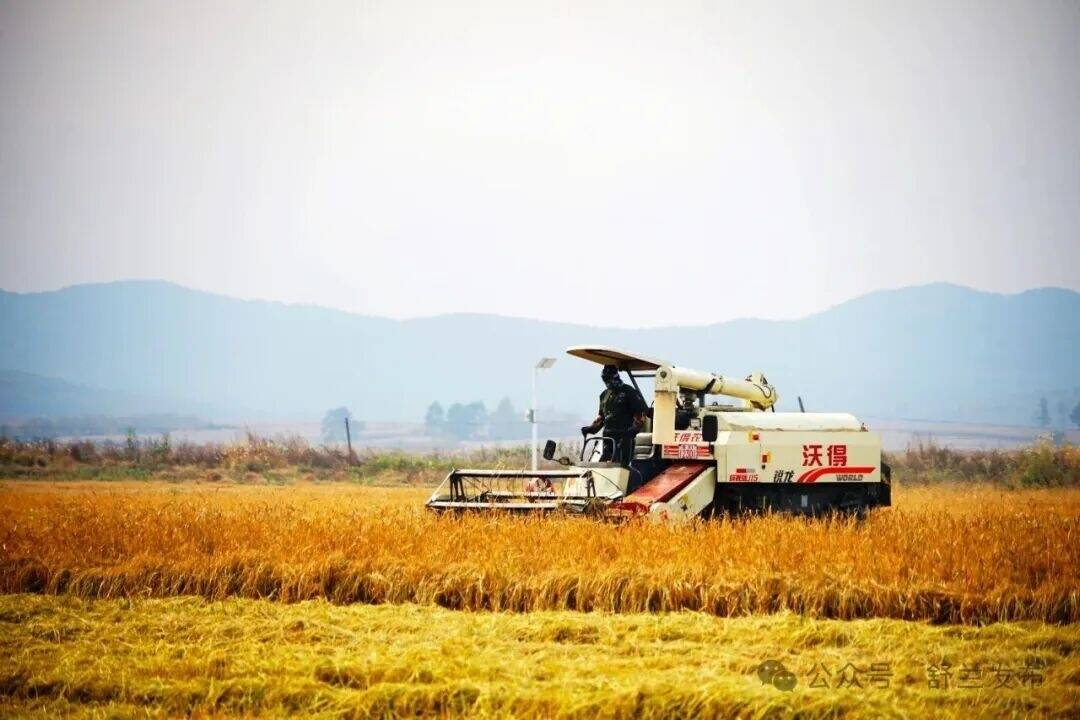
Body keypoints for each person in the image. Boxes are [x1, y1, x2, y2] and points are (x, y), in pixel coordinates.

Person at [581, 364, 648, 466]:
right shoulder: (604, 395)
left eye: (609, 378)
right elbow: (601, 418)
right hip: (608, 438)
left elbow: (641, 414)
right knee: (606, 466)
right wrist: (590, 429)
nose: (607, 382)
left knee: (622, 467)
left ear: (616, 376)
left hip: (624, 437)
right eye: (605, 379)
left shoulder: (629, 392)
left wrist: (634, 429)